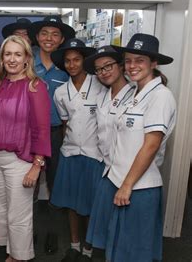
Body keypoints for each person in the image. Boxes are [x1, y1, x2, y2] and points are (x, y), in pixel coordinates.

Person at [87, 33, 176, 262]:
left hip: (138, 187)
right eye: (128, 60)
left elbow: (151, 145)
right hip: (117, 179)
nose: (132, 66)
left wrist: (127, 185)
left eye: (140, 60)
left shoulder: (161, 96)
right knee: (116, 245)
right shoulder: (134, 94)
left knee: (133, 251)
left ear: (153, 63)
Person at [0, 35, 51, 262]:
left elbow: (41, 128)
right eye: (7, 54)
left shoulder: (35, 86)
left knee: (18, 215)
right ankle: (9, 251)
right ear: (1, 58)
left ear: (26, 59)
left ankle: (19, 257)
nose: (11, 59)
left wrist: (36, 165)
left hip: (21, 160)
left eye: (17, 54)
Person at [48, 39, 103, 262]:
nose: (72, 64)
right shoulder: (61, 92)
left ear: (84, 61)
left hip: (93, 155)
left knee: (90, 205)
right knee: (71, 203)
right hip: (70, 153)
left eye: (76, 60)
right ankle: (74, 245)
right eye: (68, 61)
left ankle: (88, 250)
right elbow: (65, 124)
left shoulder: (99, 85)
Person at [83, 46, 136, 260]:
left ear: (120, 66)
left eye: (108, 66)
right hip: (106, 166)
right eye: (98, 69)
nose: (104, 72)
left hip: (127, 169)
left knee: (125, 227)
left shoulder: (134, 95)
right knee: (106, 222)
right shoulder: (102, 96)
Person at [29, 15, 76, 254]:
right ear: (36, 37)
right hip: (30, 136)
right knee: (31, 186)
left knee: (56, 187)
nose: (49, 38)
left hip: (58, 135)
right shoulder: (27, 64)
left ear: (62, 39)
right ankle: (31, 232)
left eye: (55, 34)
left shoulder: (67, 67)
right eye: (44, 33)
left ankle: (52, 233)